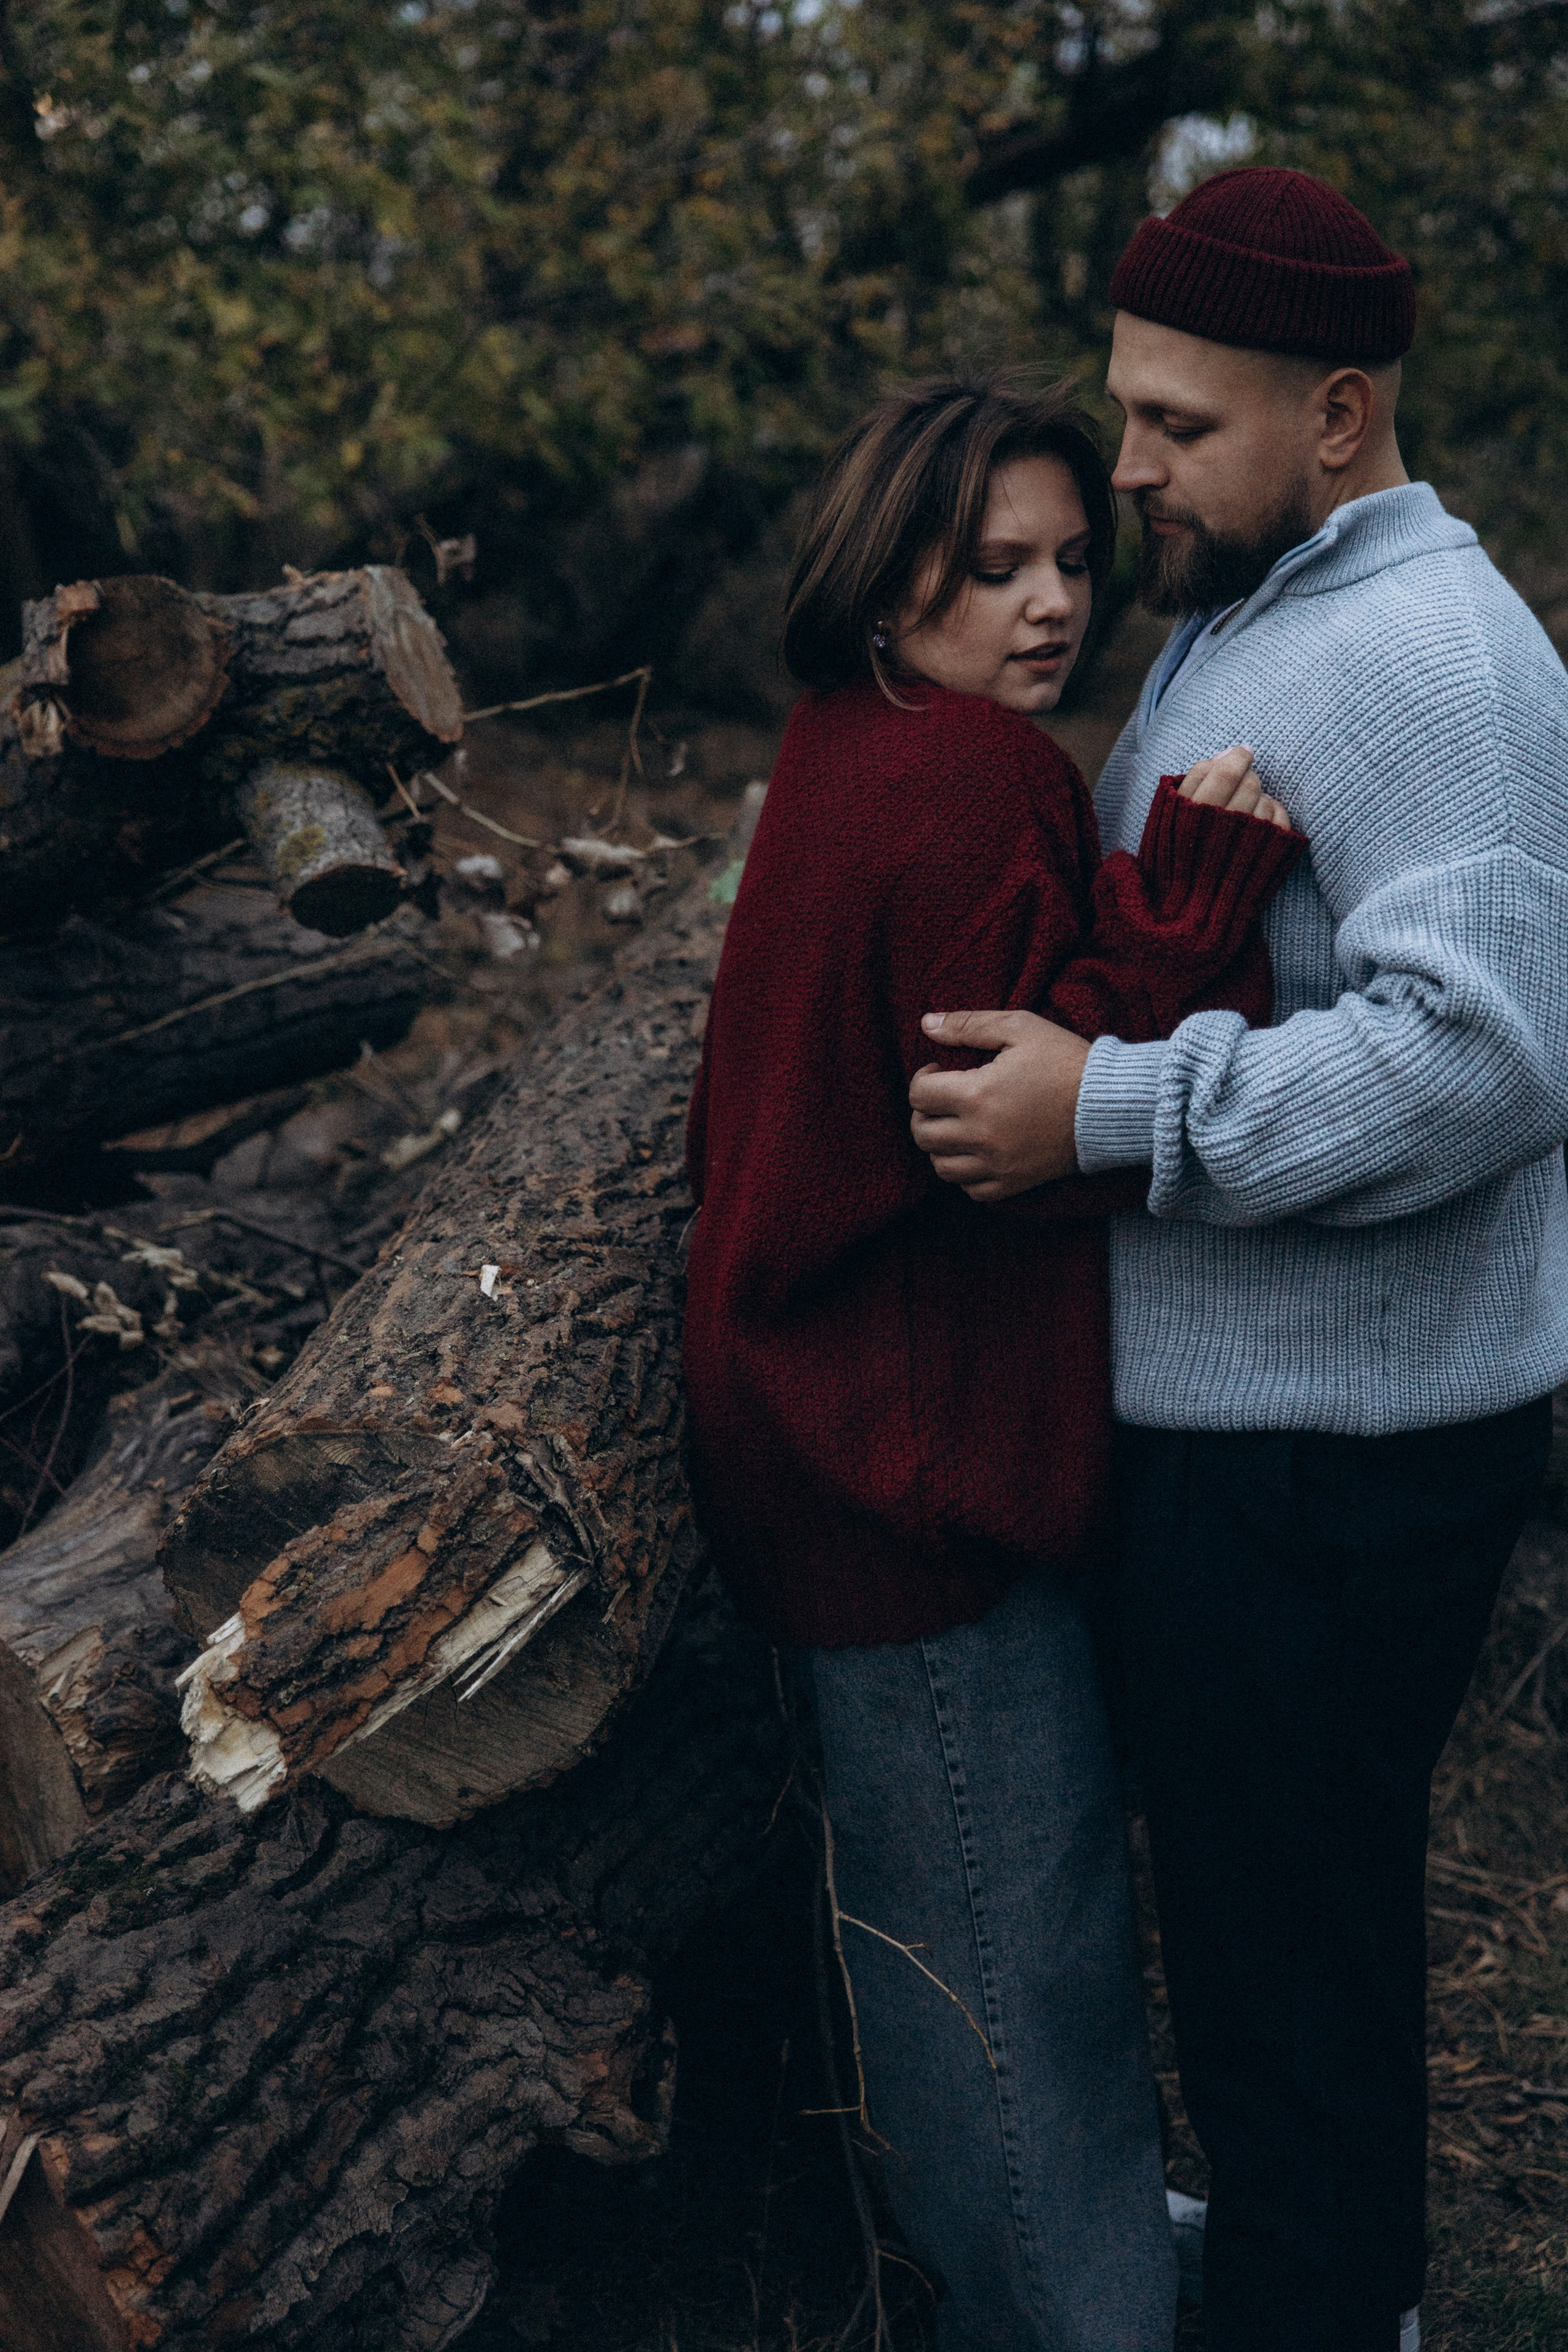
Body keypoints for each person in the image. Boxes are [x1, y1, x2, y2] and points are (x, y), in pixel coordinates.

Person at [907, 168, 1568, 2352]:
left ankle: (1319, 2307)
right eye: (1129, 410)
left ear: (1345, 411)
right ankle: (1309, 2281)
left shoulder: (1435, 660)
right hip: (1260, 1439)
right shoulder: (1268, 598)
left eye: (1180, 424)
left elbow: (1481, 1060)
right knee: (1276, 1959)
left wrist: (1109, 1116)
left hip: (1337, 1465)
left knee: (1298, 1985)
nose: (1132, 467)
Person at [682, 375, 1302, 2351]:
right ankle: (1071, 2315)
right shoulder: (965, 776)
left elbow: (991, 1011)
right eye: (993, 568)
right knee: (1012, 1968)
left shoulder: (855, 745)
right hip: (904, 1479)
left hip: (837, 1442)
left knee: (979, 1952)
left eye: (1068, 562)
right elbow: (1014, 1142)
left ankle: (1091, 2260)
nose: (1049, 603)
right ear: (890, 581)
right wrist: (1198, 918)